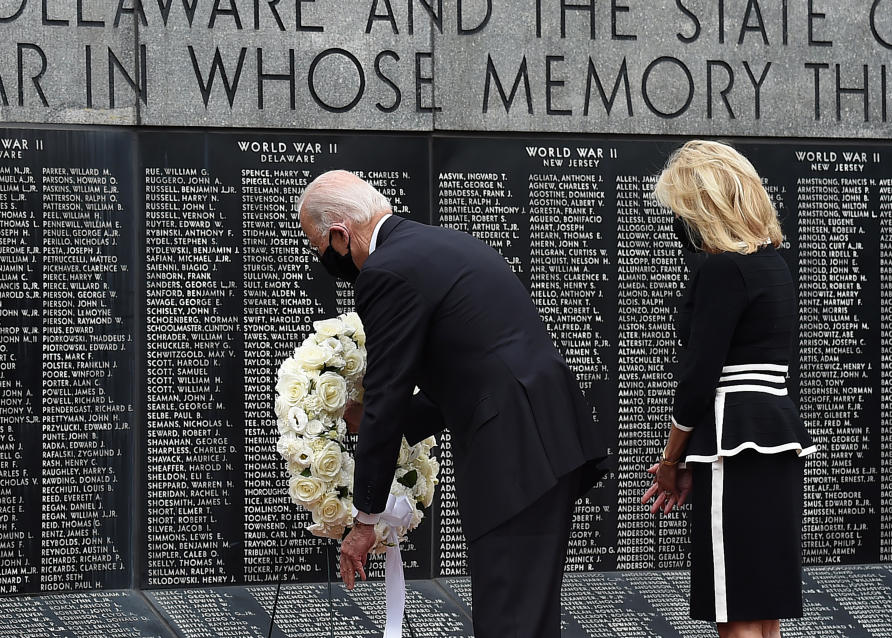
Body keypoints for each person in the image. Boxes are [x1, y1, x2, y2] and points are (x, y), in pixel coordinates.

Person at [297, 170, 609, 638]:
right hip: (544, 440)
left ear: (340, 234)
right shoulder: (444, 244)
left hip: (515, 451)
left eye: (319, 248)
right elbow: (467, 374)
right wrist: (364, 420)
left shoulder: (385, 271)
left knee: (509, 617)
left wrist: (364, 519)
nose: (326, 260)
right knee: (526, 614)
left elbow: (389, 390)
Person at [642, 140, 817, 638]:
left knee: (735, 604)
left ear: (703, 206)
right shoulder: (773, 265)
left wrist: (675, 460)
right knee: (764, 606)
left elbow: (699, 378)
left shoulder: (722, 270)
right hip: (774, 435)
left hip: (730, 439)